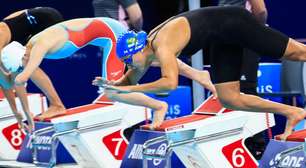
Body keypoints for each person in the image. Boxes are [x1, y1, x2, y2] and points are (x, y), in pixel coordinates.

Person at [92, 6, 306, 139]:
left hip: (236, 22)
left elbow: (169, 84)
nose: (128, 65)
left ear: (138, 50)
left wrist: (128, 88)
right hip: (221, 38)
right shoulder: (144, 52)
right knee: (230, 99)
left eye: (128, 60)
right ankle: (293, 112)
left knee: (297, 54)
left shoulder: (163, 45)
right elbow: (130, 78)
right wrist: (114, 85)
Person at [3, 16, 216, 129]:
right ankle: (199, 75)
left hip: (112, 35)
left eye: (22, 66)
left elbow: (22, 78)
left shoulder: (38, 46)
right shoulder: (30, 49)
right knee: (149, 59)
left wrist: (18, 78)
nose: (26, 70)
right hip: (107, 32)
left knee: (113, 91)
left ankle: (158, 106)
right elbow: (17, 80)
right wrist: (21, 115)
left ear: (22, 58)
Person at [0, 7, 65, 132]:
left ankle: (57, 105)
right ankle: (56, 104)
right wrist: (18, 114)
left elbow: (17, 80)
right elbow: (7, 84)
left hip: (46, 19)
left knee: (27, 64)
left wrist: (27, 114)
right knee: (22, 64)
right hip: (36, 19)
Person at [218, 0, 267, 159]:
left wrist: (255, 34)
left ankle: (257, 146)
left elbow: (260, 11)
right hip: (226, 38)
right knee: (228, 91)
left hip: (243, 38)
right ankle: (237, 142)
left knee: (245, 91)